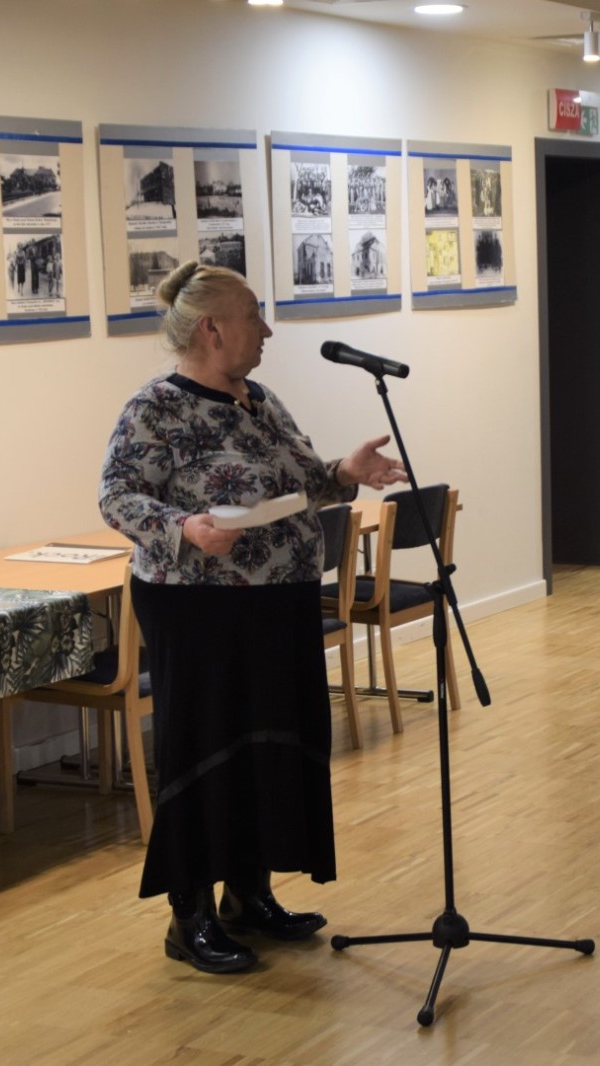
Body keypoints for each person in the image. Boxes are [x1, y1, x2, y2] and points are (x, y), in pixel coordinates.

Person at [99, 261, 406, 974]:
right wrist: (185, 527)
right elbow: (117, 496)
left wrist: (344, 472)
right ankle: (191, 917)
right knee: (207, 748)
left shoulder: (259, 400)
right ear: (212, 328)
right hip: (199, 606)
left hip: (278, 601)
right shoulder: (157, 408)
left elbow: (298, 482)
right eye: (254, 315)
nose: (266, 330)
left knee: (269, 747)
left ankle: (249, 894)